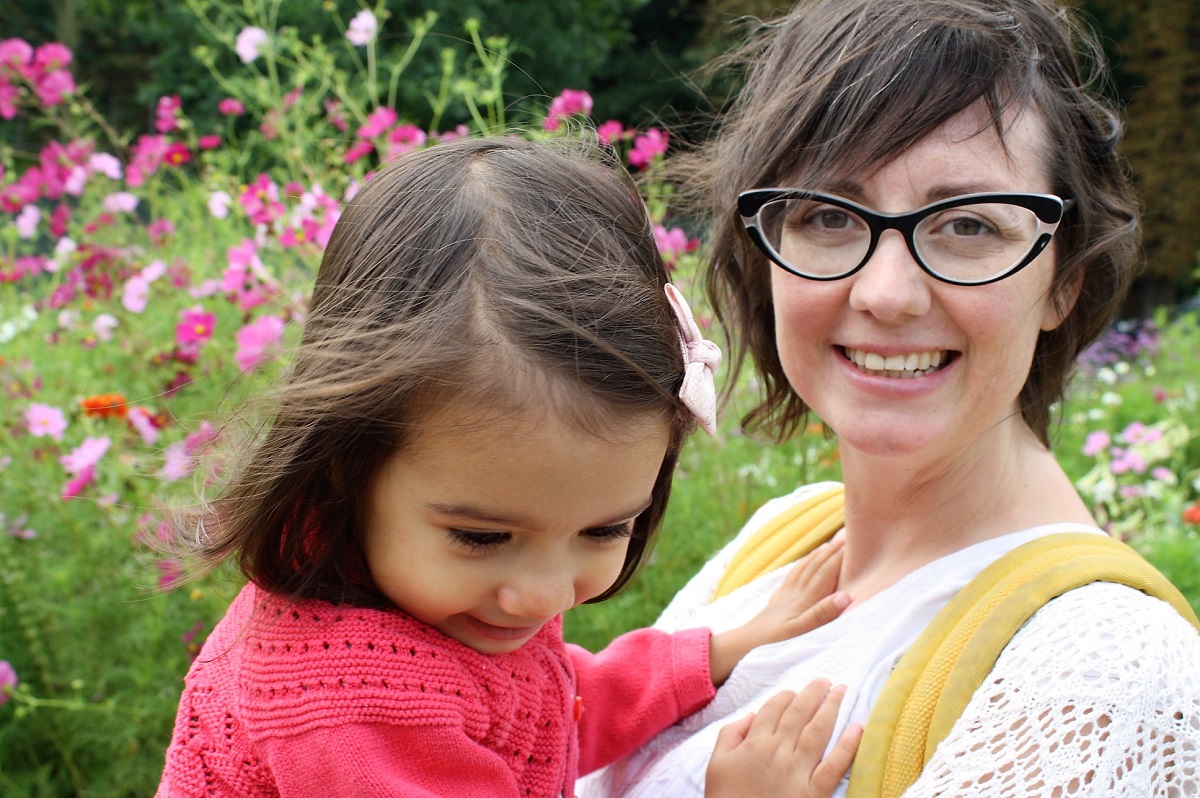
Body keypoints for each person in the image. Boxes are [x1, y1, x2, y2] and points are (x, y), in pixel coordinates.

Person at [580, 0, 1200, 796]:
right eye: (830, 216)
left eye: (970, 226)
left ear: (1064, 282)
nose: (887, 293)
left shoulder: (1105, 682)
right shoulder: (787, 540)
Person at [154, 135, 861, 798]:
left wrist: (715, 652)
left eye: (607, 529)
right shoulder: (352, 711)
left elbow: (543, 713)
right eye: (482, 537)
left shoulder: (440, 598)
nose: (543, 593)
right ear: (348, 463)